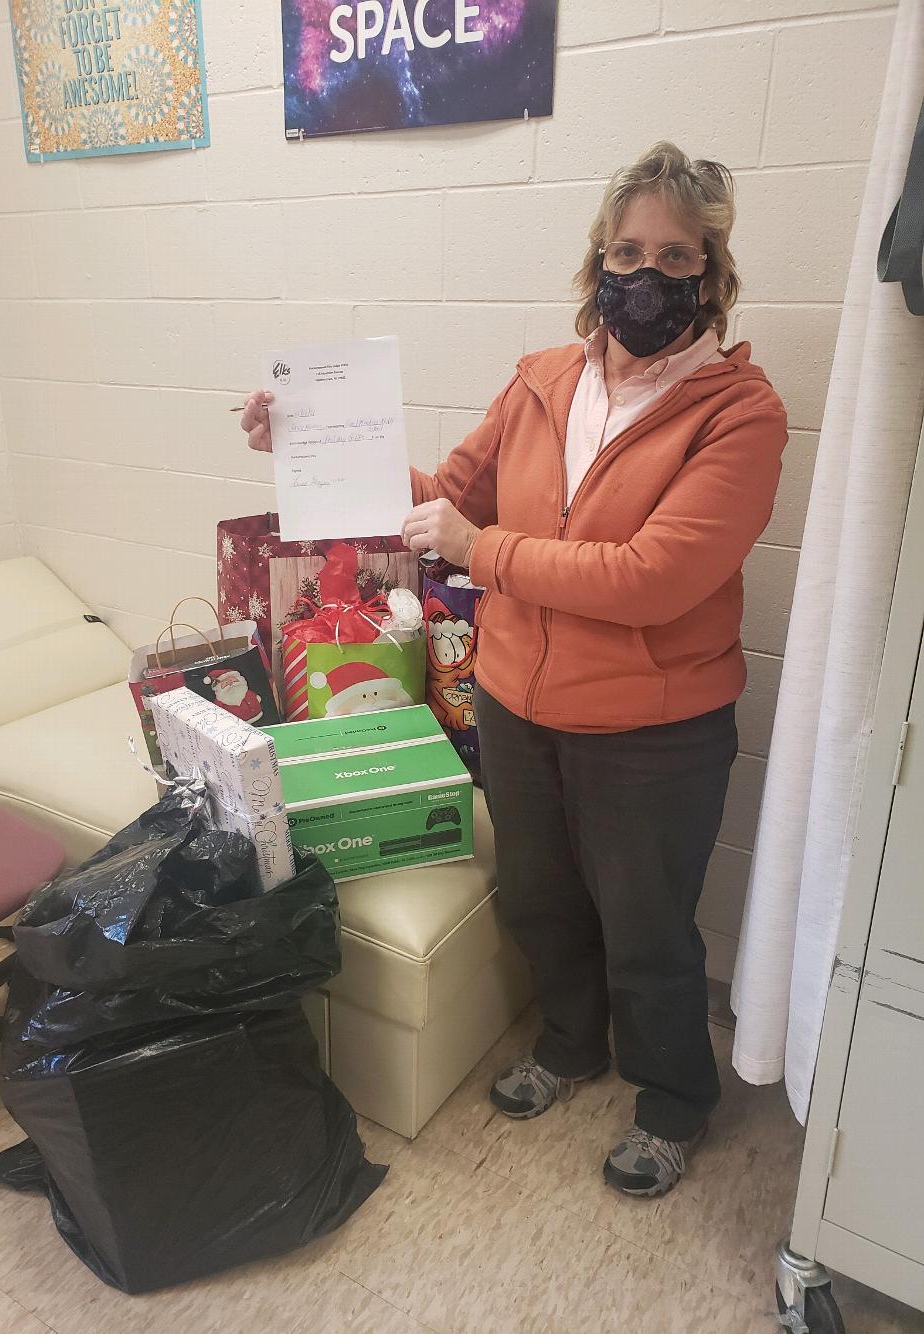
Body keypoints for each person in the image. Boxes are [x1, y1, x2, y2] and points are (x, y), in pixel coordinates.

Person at [241, 142, 788, 1199]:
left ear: (711, 269)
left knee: (648, 929)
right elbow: (441, 494)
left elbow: (651, 577)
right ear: (596, 259)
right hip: (515, 701)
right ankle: (572, 1039)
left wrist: (477, 548)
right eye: (627, 248)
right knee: (536, 896)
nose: (647, 273)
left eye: (675, 254)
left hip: (652, 729)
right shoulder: (543, 378)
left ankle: (674, 1099)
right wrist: (304, 442)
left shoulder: (740, 411)